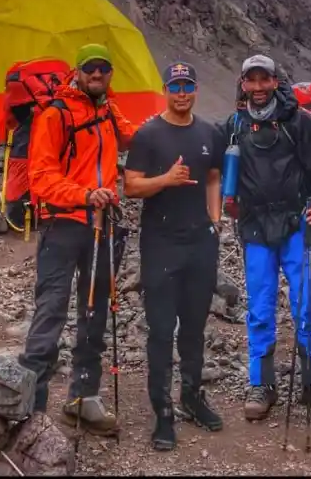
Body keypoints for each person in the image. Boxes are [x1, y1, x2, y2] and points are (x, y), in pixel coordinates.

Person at [19, 44, 136, 436]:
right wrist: (84, 194)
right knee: (51, 310)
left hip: (102, 225)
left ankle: (82, 398)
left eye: (104, 68)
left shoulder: (106, 109)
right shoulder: (56, 114)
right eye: (90, 68)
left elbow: (130, 139)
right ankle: (29, 407)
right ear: (77, 71)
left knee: (94, 313)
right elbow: (41, 176)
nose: (97, 74)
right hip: (63, 223)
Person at [223, 54, 311, 422]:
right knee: (260, 308)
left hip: (296, 224)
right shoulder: (234, 125)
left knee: (306, 305)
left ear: (276, 81)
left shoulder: (300, 123)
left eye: (264, 80)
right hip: (256, 227)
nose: (258, 88)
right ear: (243, 85)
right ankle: (261, 385)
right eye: (251, 81)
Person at [124, 61, 224, 452]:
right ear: (165, 89)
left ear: (195, 89)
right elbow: (131, 187)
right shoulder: (148, 134)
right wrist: (166, 180)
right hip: (161, 243)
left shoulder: (208, 132)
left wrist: (215, 221)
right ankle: (162, 411)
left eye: (188, 85)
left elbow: (213, 176)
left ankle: (192, 397)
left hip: (201, 241)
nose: (181, 92)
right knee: (162, 329)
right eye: (175, 86)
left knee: (195, 326)